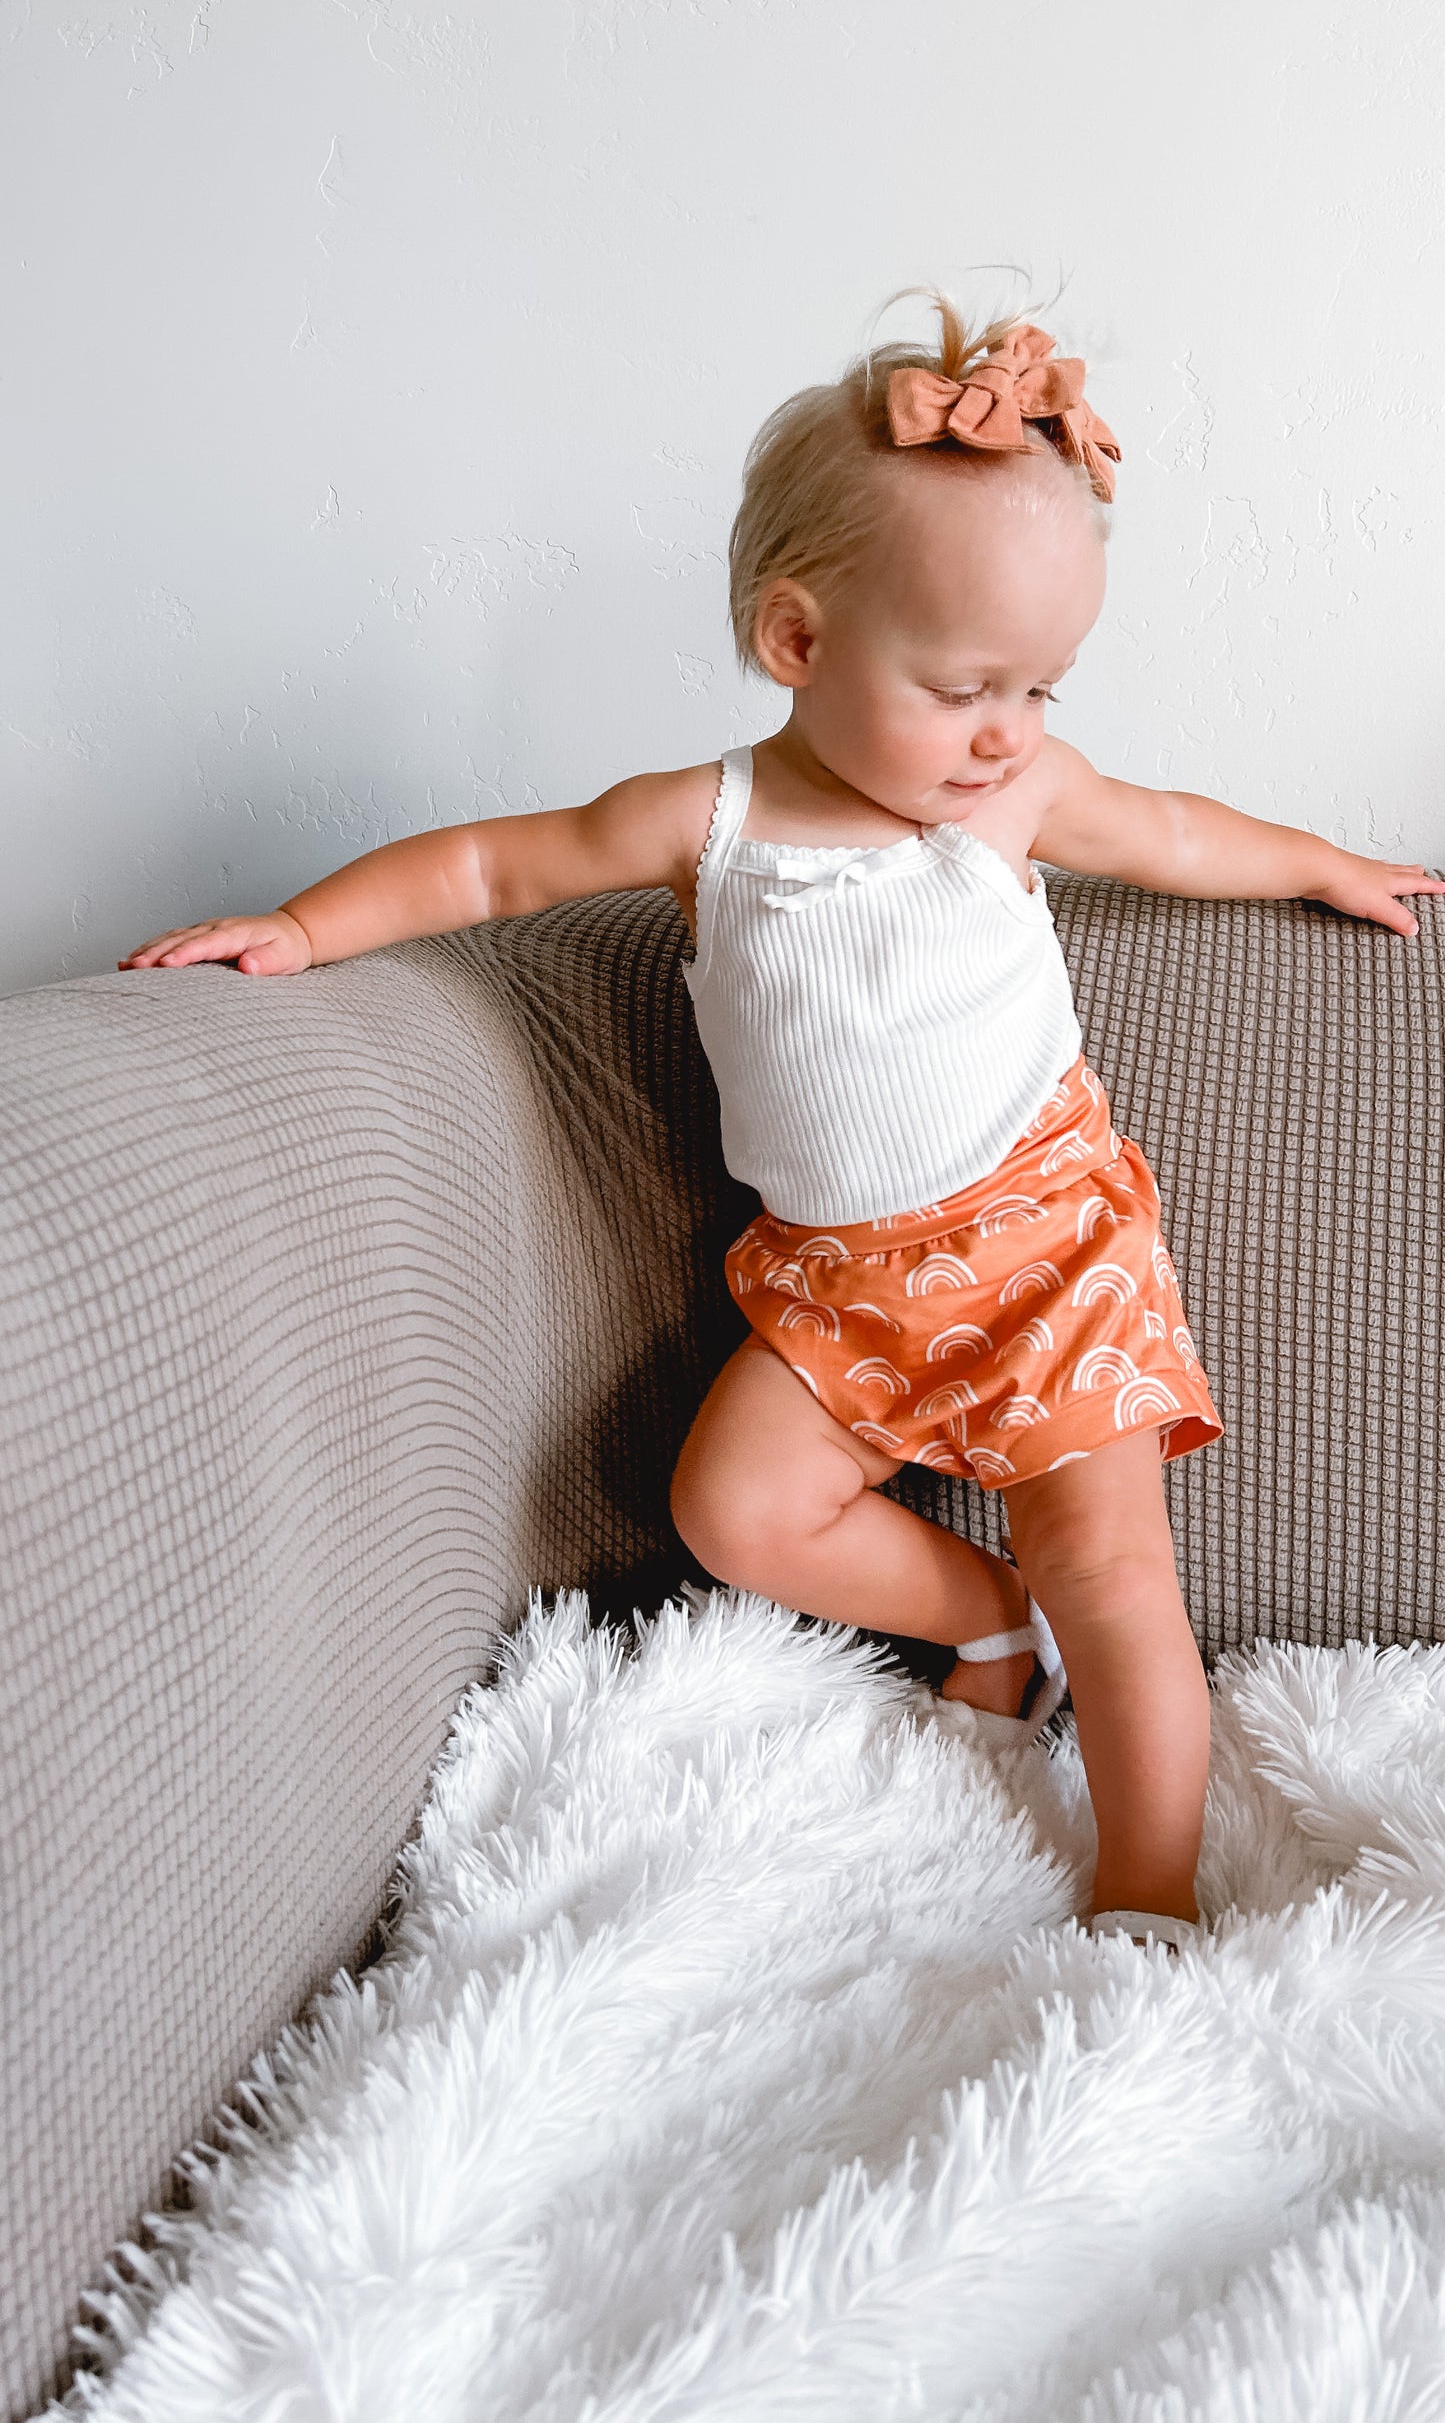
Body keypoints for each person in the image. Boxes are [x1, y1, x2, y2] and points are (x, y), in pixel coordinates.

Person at [121, 289, 1444, 1951]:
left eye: (1042, 689)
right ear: (798, 640)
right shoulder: (711, 821)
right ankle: (989, 1611)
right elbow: (486, 867)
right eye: (968, 685)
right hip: (838, 1280)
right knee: (729, 1513)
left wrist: (1321, 858)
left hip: (1047, 1254)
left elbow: (1172, 829)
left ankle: (1146, 1885)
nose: (1008, 733)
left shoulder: (1021, 795)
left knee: (1120, 1574)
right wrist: (305, 932)